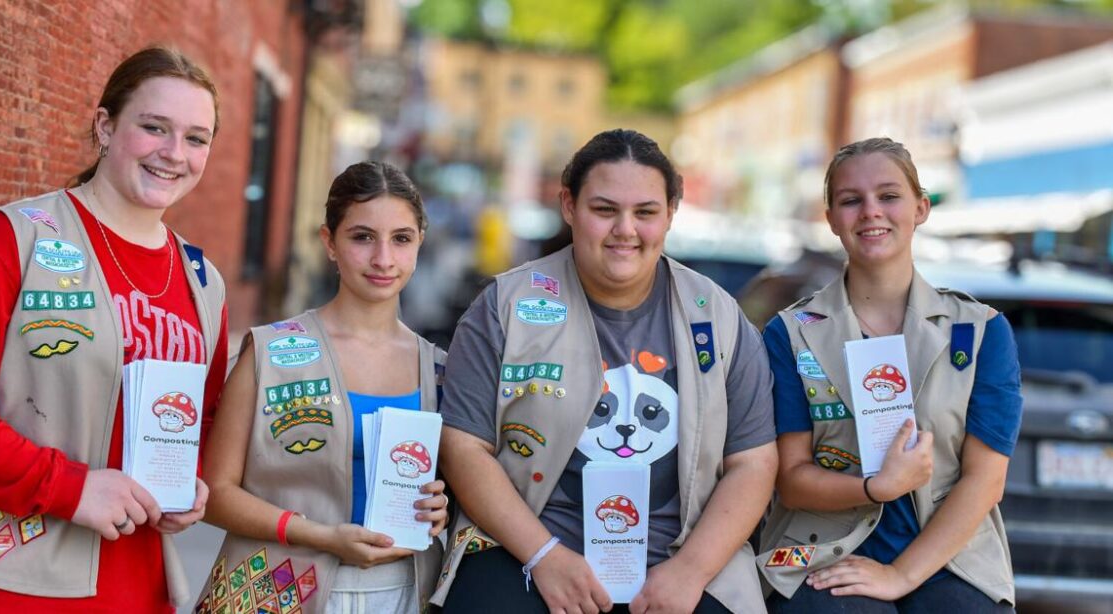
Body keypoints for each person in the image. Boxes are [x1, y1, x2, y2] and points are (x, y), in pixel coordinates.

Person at [433, 129, 779, 614]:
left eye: (645, 212)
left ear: (671, 213)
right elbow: (463, 446)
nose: (625, 229)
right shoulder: (506, 306)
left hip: (680, 555)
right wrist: (545, 557)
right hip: (523, 546)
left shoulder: (717, 316)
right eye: (604, 210)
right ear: (569, 207)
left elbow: (754, 463)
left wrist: (690, 571)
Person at [0, 46, 228, 612]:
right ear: (105, 125)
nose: (174, 153)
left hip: (139, 583)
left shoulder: (204, 282)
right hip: (6, 579)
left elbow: (204, 416)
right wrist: (69, 488)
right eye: (153, 128)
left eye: (196, 138)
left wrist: (188, 482)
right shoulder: (12, 242)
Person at [759, 137, 1021, 612]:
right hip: (821, 549)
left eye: (889, 196)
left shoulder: (980, 331)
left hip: (949, 555)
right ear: (832, 218)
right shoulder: (791, 334)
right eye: (851, 200)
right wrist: (874, 488)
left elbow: (985, 480)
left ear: (920, 209)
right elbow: (791, 479)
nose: (871, 211)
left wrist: (901, 574)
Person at [198, 161, 449, 614]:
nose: (383, 259)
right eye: (362, 237)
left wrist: (439, 506)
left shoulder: (440, 370)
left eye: (401, 239)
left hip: (406, 592)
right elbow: (214, 493)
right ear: (329, 242)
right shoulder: (272, 352)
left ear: (419, 244)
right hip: (277, 588)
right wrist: (321, 535)